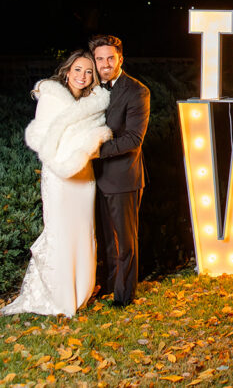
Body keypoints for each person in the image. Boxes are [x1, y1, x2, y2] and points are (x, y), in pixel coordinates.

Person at [1, 50, 112, 318]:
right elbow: (41, 138)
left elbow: (95, 135)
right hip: (58, 176)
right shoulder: (51, 97)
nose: (82, 76)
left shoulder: (94, 101)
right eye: (78, 69)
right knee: (60, 231)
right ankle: (59, 297)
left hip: (83, 176)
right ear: (67, 70)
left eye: (88, 72)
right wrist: (64, 156)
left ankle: (80, 291)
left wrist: (88, 143)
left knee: (82, 231)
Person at [89, 34, 150, 307]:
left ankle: (124, 296)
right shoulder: (90, 88)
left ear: (120, 59)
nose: (105, 64)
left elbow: (133, 139)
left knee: (125, 241)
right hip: (93, 178)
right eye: (99, 59)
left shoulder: (137, 91)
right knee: (106, 240)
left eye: (110, 58)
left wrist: (94, 151)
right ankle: (110, 286)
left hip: (123, 177)